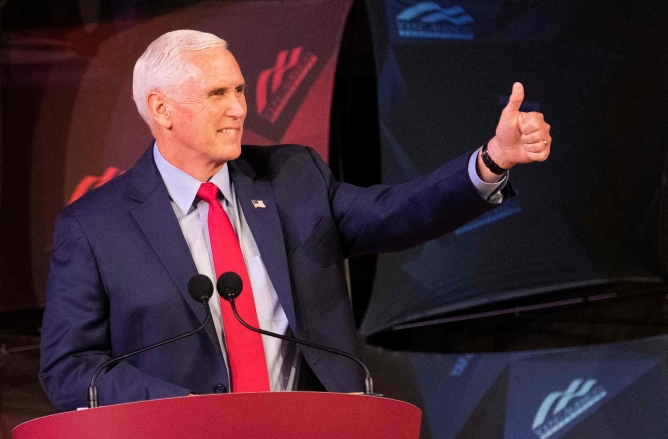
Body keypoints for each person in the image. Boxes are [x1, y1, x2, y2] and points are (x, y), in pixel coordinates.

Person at [39, 30, 551, 411]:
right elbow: (70, 368)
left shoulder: (291, 178)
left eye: (240, 90)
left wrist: (490, 161)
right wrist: (181, 407)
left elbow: (394, 213)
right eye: (219, 94)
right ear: (162, 109)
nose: (240, 108)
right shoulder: (95, 228)